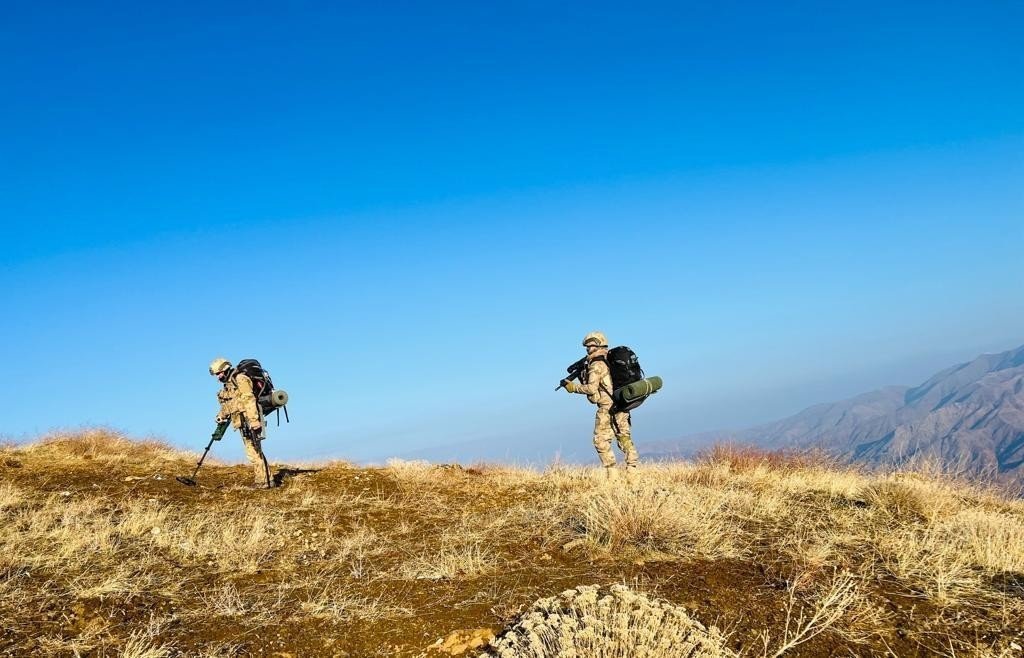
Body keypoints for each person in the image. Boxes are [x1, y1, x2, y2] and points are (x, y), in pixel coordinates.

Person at [563, 332, 640, 480]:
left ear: (596, 345)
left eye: (589, 346)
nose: (587, 349)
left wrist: (573, 387)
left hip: (607, 408)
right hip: (621, 404)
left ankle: (612, 475)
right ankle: (632, 470)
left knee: (600, 441)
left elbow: (591, 389)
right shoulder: (608, 359)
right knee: (624, 437)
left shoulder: (596, 365)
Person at [209, 357, 275, 489]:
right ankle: (265, 480)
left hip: (249, 419)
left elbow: (249, 399)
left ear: (225, 369)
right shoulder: (229, 384)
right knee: (253, 450)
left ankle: (264, 482)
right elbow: (231, 404)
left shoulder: (240, 379)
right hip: (241, 420)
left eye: (218, 373)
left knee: (254, 450)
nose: (218, 377)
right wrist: (221, 415)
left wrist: (254, 421)